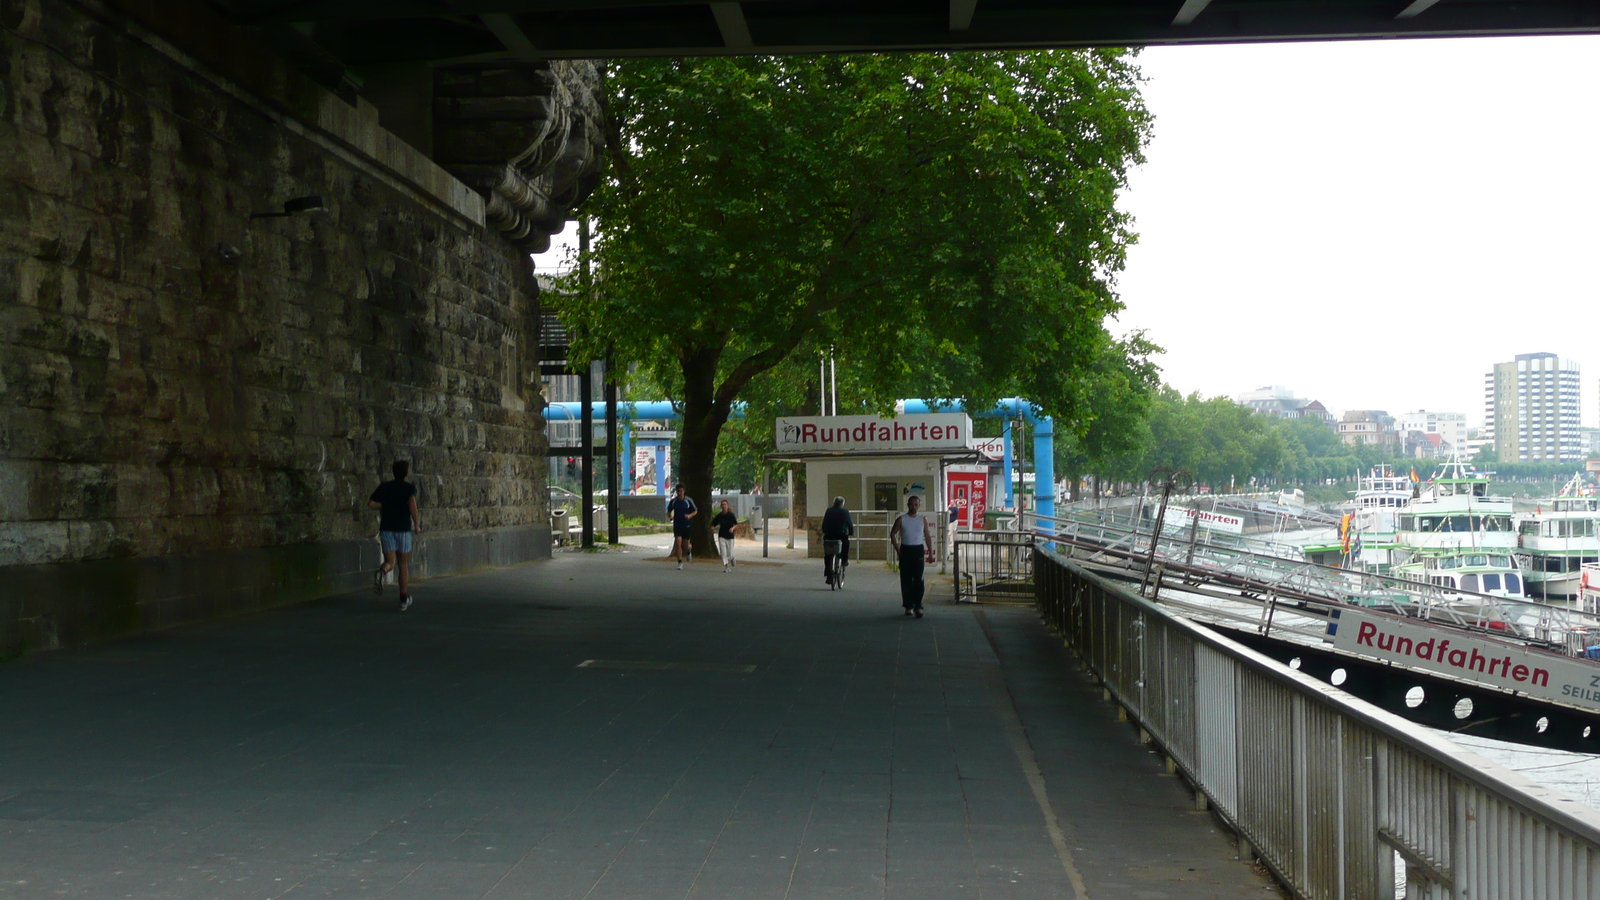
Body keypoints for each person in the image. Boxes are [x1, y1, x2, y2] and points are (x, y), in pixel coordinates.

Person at [369, 460, 421, 611]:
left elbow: (371, 503)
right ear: (406, 473)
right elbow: (412, 506)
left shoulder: (384, 486)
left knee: (390, 561)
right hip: (403, 530)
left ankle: (383, 571)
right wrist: (416, 524)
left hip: (387, 529)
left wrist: (383, 505)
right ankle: (403, 599)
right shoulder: (409, 488)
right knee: (403, 564)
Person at [889, 494, 935, 618]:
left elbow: (927, 535)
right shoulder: (901, 519)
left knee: (918, 579)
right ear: (907, 505)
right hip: (906, 550)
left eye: (916, 504)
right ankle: (908, 605)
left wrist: (930, 552)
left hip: (918, 550)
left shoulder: (922, 519)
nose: (913, 507)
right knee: (906, 580)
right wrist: (898, 550)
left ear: (919, 506)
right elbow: (892, 534)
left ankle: (918, 605)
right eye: (911, 504)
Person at [820, 496, 854, 586]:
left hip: (829, 535)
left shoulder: (828, 510)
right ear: (842, 504)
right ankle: (844, 560)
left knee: (827, 554)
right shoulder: (845, 511)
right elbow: (849, 523)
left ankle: (828, 572)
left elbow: (824, 523)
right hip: (841, 534)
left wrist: (824, 531)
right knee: (845, 543)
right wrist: (851, 532)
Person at [666, 484, 698, 570]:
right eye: (678, 491)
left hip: (686, 524)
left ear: (684, 491)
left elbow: (695, 511)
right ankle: (680, 562)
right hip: (677, 524)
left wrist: (689, 515)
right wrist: (670, 517)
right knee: (678, 542)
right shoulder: (674, 501)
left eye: (681, 491)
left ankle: (688, 551)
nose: (679, 493)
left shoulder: (688, 500)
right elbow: (668, 511)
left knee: (686, 544)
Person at [710, 499, 739, 571]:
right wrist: (712, 529)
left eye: (725, 505)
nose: (723, 506)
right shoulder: (719, 516)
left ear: (727, 506)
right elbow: (713, 524)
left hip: (730, 536)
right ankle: (726, 566)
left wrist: (732, 528)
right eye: (722, 505)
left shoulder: (731, 515)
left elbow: (736, 524)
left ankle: (732, 558)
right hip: (722, 536)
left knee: (730, 552)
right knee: (723, 552)